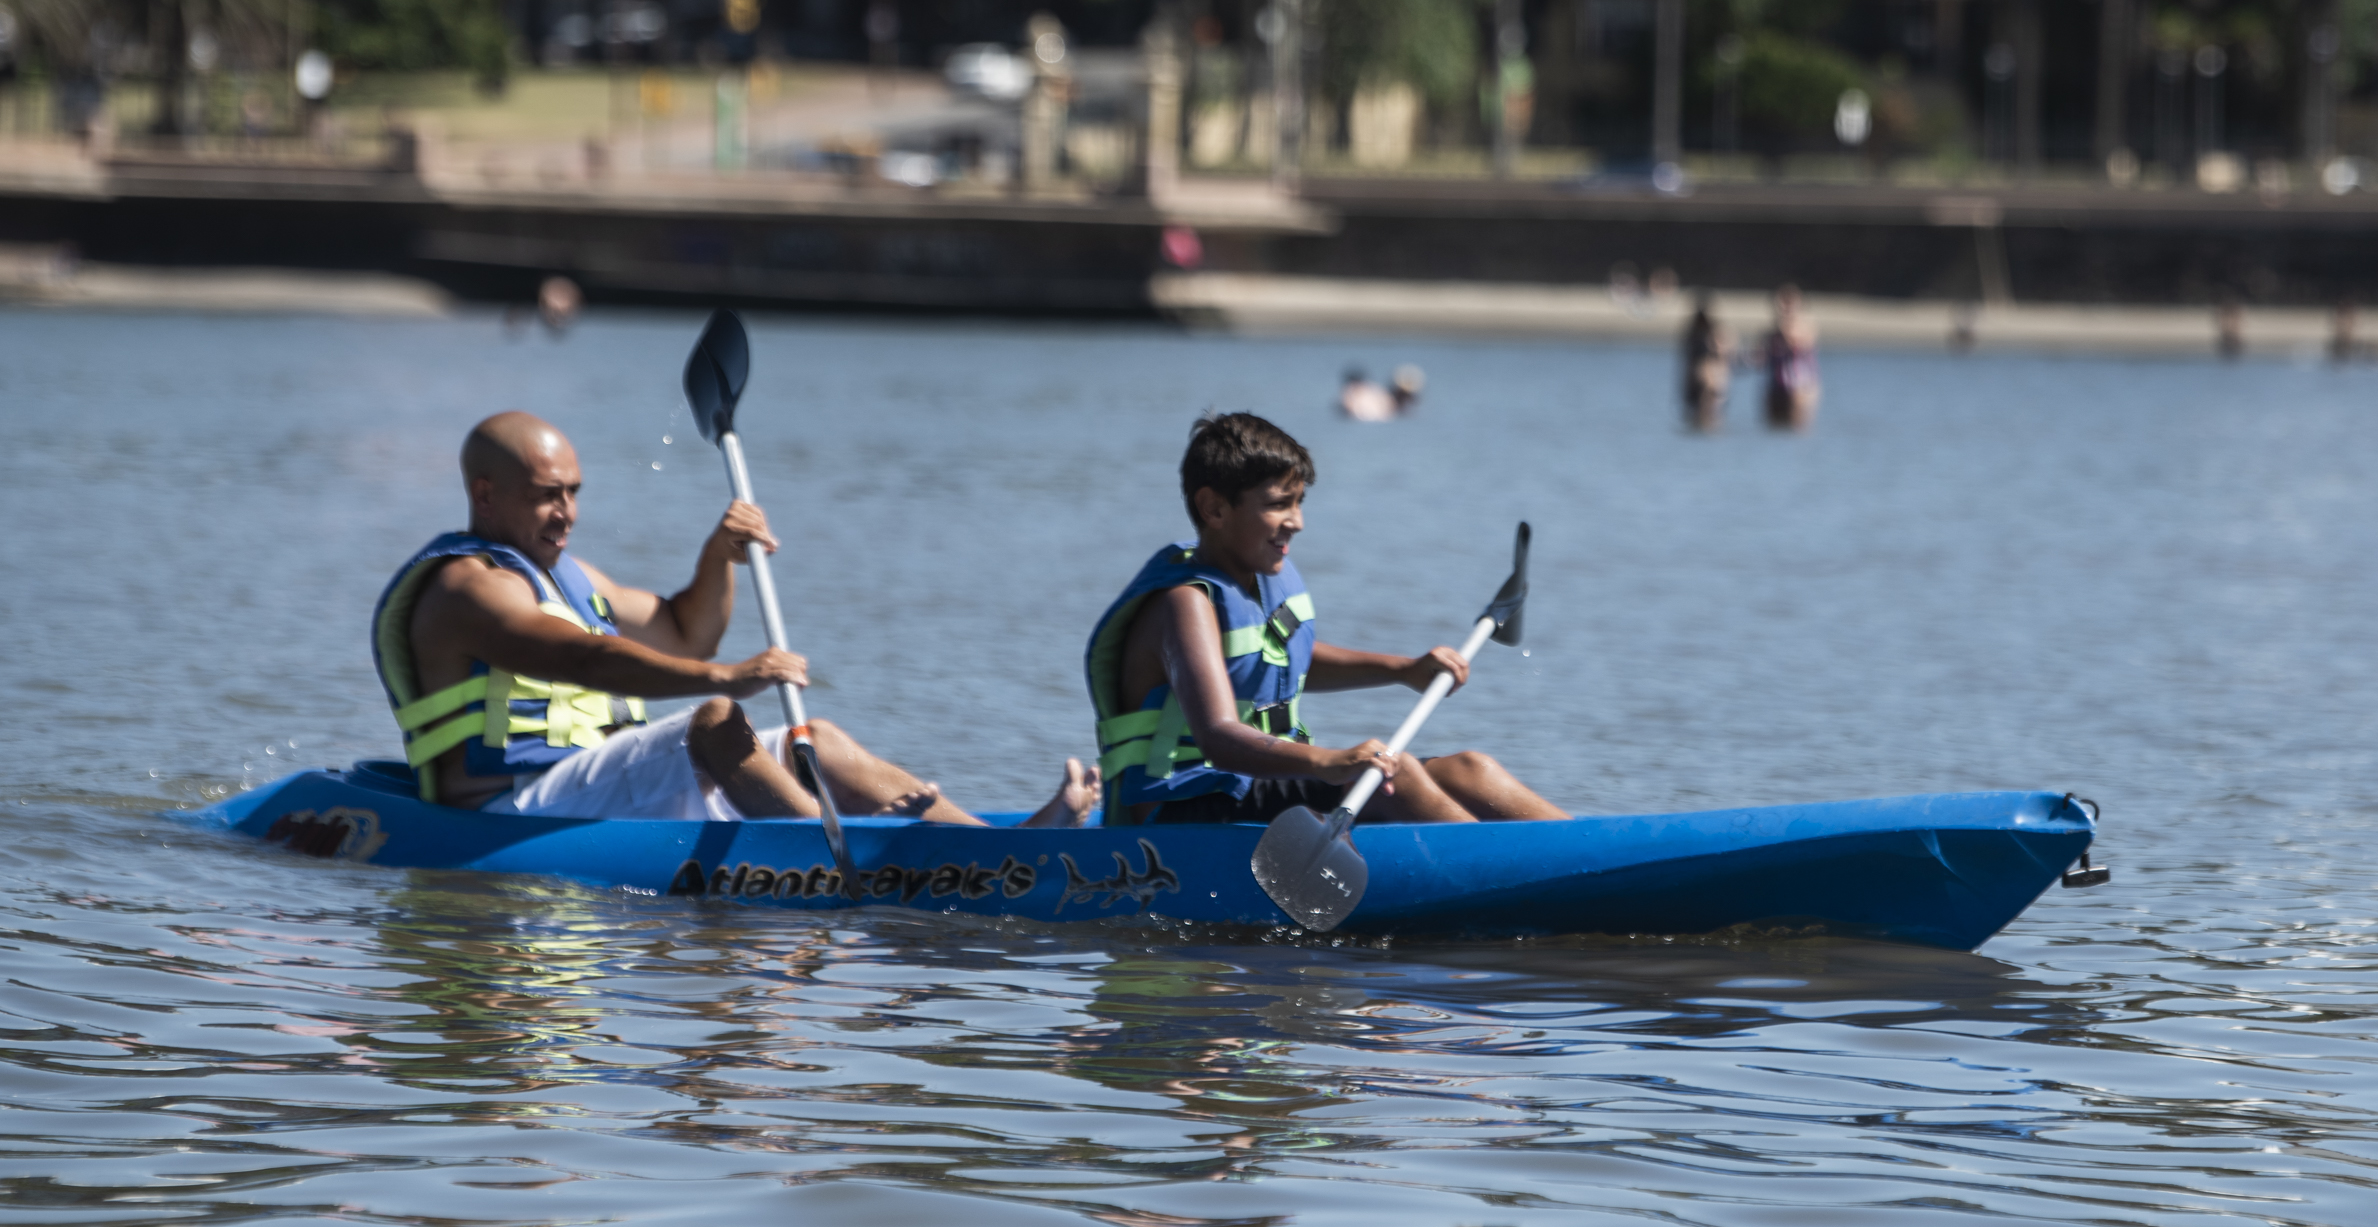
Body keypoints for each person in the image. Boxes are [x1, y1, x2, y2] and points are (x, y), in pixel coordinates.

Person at [375, 412, 1095, 826]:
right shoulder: (467, 588)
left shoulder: (570, 575)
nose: (566, 513)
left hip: (596, 784)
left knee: (823, 741)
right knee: (714, 719)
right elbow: (584, 660)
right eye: (546, 496)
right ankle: (839, 856)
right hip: (511, 808)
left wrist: (718, 557)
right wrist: (724, 678)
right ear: (485, 494)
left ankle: (995, 852)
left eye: (574, 493)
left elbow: (685, 631)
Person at [1083, 412, 1566, 828]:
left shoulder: (1256, 578)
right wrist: (1325, 761)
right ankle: (1512, 877)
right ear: (1214, 508)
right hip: (1183, 809)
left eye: (1299, 503)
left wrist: (1402, 670)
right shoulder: (1184, 602)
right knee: (1393, 776)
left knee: (1470, 769)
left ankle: (1594, 853)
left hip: (1248, 786)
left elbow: (1282, 663)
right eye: (1277, 504)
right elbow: (1220, 738)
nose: (1296, 521)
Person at [1760, 283, 1821, 430]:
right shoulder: (1772, 332)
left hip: (1801, 387)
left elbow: (1795, 341)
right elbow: (1760, 357)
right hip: (1776, 385)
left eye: (1789, 303)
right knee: (1774, 430)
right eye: (1783, 303)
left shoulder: (1806, 327)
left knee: (1796, 429)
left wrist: (1783, 323)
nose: (1785, 308)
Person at [1681, 294, 1730, 430]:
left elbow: (1723, 356)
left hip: (1710, 378)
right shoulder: (1692, 332)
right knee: (1700, 415)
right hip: (1701, 378)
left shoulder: (1712, 332)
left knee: (1710, 414)